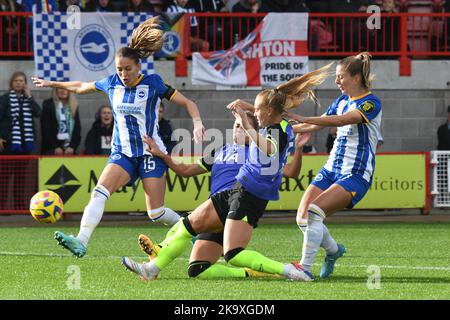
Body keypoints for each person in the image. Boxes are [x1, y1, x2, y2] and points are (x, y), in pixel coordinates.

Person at [121, 64, 331, 282]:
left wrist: (247, 121)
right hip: (237, 193)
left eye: (257, 111)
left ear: (269, 112)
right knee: (191, 243)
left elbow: (270, 146)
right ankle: (153, 266)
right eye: (240, 123)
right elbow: (185, 170)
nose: (251, 117)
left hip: (246, 194)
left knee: (229, 251)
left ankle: (289, 270)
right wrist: (247, 111)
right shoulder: (264, 132)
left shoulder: (268, 136)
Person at [32, 16, 205, 258]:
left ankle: (193, 231)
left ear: (138, 67)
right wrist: (52, 82)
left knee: (156, 213)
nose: (123, 74)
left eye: (127, 69)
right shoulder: (111, 83)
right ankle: (81, 240)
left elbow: (188, 102)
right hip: (122, 153)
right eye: (119, 69)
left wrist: (197, 123)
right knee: (99, 192)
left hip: (150, 153)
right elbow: (81, 86)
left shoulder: (154, 83)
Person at [138, 114, 311, 279]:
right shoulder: (219, 152)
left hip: (235, 202)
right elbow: (184, 171)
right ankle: (249, 273)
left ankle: (157, 256)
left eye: (243, 126)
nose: (238, 129)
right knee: (197, 270)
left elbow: (291, 172)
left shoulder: (258, 154)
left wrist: (298, 148)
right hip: (216, 207)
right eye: (236, 126)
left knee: (186, 225)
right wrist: (161, 154)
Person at [291, 52, 382, 280]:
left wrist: (303, 118)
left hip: (356, 174)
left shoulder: (371, 103)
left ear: (356, 78)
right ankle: (333, 251)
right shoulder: (340, 101)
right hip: (331, 169)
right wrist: (281, 127)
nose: (337, 81)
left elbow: (341, 121)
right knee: (302, 217)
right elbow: (313, 127)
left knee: (314, 211)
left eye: (341, 76)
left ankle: (305, 268)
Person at [0, 71, 41, 210]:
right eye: (16, 80)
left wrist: (30, 97)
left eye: (21, 81)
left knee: (21, 178)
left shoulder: (27, 99)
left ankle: (19, 206)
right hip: (8, 144)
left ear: (25, 84)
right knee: (5, 178)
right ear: (12, 83)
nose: (19, 83)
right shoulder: (4, 99)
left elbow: (38, 113)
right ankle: (3, 207)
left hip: (25, 145)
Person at [40, 88, 81, 155]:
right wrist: (55, 147)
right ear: (55, 91)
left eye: (65, 89)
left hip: (69, 150)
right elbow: (46, 129)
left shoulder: (74, 106)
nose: (63, 91)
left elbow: (77, 129)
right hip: (52, 150)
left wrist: (72, 146)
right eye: (60, 88)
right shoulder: (48, 105)